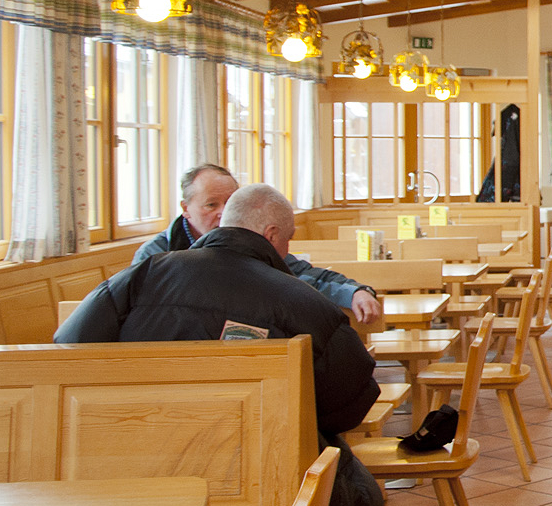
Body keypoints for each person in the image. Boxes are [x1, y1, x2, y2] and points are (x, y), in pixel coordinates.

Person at [59, 183, 379, 439]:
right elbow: (353, 401)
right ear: (271, 235)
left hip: (133, 434)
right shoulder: (302, 300)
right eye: (288, 240)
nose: (287, 251)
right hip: (260, 444)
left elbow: (68, 346)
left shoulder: (143, 274)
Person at [136, 163, 381, 324]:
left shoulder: (249, 242)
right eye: (211, 205)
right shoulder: (156, 256)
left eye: (230, 202)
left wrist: (354, 291)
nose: (223, 213)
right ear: (186, 209)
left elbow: (302, 276)